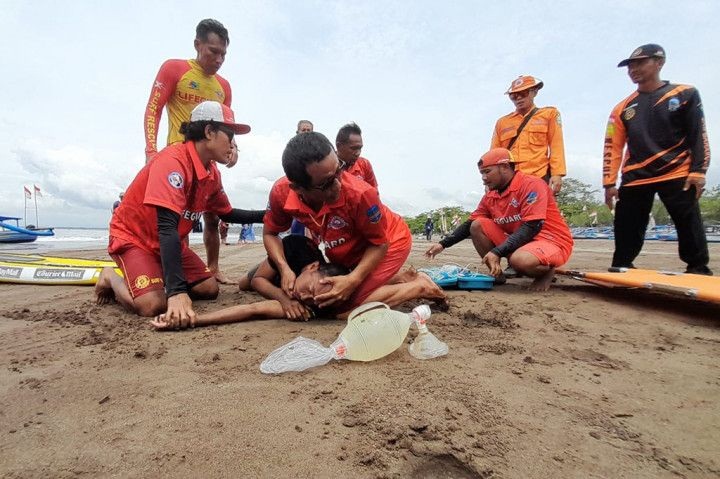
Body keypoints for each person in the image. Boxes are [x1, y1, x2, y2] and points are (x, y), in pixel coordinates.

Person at [96, 101, 265, 321]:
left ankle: (154, 273)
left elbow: (227, 213)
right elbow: (166, 227)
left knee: (208, 289)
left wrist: (268, 215)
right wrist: (176, 292)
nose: (233, 145)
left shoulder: (211, 172)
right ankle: (110, 278)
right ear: (209, 132)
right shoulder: (172, 161)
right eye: (230, 135)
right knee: (153, 305)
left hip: (166, 242)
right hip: (134, 238)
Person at [152, 235, 446, 329]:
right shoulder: (296, 253)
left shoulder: (313, 305)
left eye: (311, 298)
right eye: (307, 289)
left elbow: (252, 311)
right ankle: (411, 280)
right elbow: (257, 289)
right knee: (244, 283)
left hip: (343, 281)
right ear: (313, 267)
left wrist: (195, 321)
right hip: (272, 268)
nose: (303, 295)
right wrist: (285, 296)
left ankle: (418, 285)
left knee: (347, 311)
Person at [263, 132, 412, 312]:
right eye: (326, 183)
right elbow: (270, 233)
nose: (338, 185)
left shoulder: (361, 194)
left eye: (339, 170)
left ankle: (420, 286)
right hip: (344, 246)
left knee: (344, 305)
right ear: (298, 188)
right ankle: (398, 278)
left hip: (390, 240)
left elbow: (380, 244)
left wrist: (353, 280)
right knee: (335, 293)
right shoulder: (281, 192)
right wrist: (284, 268)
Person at [143, 18, 243, 284]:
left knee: (212, 215)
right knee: (176, 219)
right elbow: (154, 109)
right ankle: (174, 272)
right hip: (177, 156)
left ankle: (213, 268)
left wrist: (233, 147)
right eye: (213, 51)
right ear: (197, 44)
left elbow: (227, 123)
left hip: (207, 158)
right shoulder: (174, 69)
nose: (219, 59)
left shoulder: (224, 86)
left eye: (224, 53)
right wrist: (151, 150)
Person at [604, 44, 712, 275]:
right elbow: (612, 147)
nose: (633, 70)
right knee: (627, 224)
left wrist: (699, 170)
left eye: (640, 63)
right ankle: (622, 263)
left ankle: (698, 267)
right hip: (636, 174)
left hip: (676, 169)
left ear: (659, 62)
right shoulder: (621, 108)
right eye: (630, 66)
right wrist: (609, 183)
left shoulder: (684, 93)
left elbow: (698, 134)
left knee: (687, 220)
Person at [425, 148, 574, 291]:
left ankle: (547, 271)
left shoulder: (531, 184)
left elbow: (532, 225)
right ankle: (496, 274)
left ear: (504, 167)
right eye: (481, 173)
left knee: (520, 261)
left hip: (551, 241)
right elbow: (470, 223)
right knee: (477, 225)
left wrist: (497, 251)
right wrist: (442, 244)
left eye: (487, 172)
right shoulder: (491, 195)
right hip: (522, 243)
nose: (483, 178)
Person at [491, 75, 566, 194]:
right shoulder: (502, 122)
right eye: (514, 96)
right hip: (509, 182)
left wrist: (557, 174)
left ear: (534, 92)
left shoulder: (549, 115)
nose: (519, 98)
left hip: (538, 177)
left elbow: (556, 145)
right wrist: (493, 180)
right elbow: (494, 154)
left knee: (538, 213)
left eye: (524, 93)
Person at [336, 122, 378, 188]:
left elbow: (373, 193)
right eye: (353, 148)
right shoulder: (328, 166)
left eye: (360, 148)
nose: (358, 153)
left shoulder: (364, 165)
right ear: (339, 146)